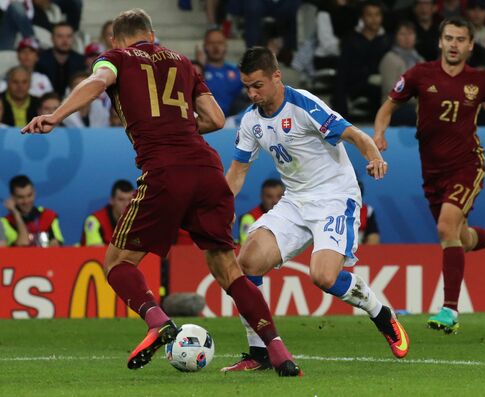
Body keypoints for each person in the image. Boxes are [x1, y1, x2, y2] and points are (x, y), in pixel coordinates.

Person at [22, 9, 301, 376]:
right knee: (227, 267)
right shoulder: (183, 61)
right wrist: (180, 126)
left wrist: (57, 115)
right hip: (207, 167)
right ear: (152, 34)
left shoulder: (117, 59)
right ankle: (279, 352)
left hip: (165, 170)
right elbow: (217, 119)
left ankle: (156, 320)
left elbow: (97, 82)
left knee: (118, 263)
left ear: (115, 40)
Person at [223, 47, 409, 372]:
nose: (251, 94)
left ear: (276, 76)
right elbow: (238, 170)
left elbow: (353, 134)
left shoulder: (303, 105)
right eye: (247, 87)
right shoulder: (251, 121)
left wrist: (374, 158)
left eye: (257, 85)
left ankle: (381, 313)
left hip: (334, 197)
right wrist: (219, 207)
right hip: (295, 200)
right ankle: (260, 353)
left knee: (323, 277)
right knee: (246, 263)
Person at [374, 16, 485, 333]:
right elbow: (388, 106)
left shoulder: (482, 80)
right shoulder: (421, 74)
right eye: (449, 38)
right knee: (459, 237)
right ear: (440, 42)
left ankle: (450, 310)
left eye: (460, 39)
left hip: (467, 164)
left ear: (471, 45)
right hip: (432, 172)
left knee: (445, 227)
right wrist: (379, 135)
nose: (453, 44)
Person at [0, 175, 64, 247]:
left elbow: (57, 247)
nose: (26, 201)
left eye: (29, 195)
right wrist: (16, 214)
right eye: (20, 197)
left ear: (34, 193)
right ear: (12, 197)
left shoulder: (49, 215)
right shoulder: (3, 223)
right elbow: (23, 244)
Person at [35, 22, 86, 98]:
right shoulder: (40, 60)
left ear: (73, 39)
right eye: (60, 36)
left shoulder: (80, 61)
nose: (65, 40)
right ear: (52, 38)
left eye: (69, 36)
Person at [202, 28, 245, 117]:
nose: (216, 47)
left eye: (220, 43)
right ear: (205, 46)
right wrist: (201, 67)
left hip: (231, 125)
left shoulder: (236, 71)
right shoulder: (197, 71)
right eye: (211, 43)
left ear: (226, 45)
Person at [81, 179, 134, 246]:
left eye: (130, 199)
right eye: (121, 199)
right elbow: (95, 252)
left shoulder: (139, 220)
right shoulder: (95, 220)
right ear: (111, 200)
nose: (126, 204)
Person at [239, 178, 284, 245]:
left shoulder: (292, 217)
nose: (275, 201)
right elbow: (246, 246)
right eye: (269, 196)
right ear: (261, 197)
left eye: (279, 196)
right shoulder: (250, 218)